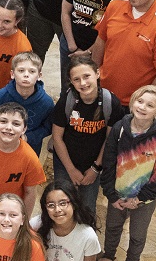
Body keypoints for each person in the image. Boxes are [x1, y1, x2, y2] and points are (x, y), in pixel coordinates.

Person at [96, 85, 156, 261]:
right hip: (118, 195)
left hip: (143, 200)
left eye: (150, 105)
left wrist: (139, 198)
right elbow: (109, 161)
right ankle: (108, 256)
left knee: (138, 234)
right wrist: (111, 195)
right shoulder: (120, 128)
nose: (143, 107)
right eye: (140, 101)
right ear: (132, 103)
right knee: (112, 228)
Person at [51, 53, 121, 210]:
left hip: (93, 164)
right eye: (76, 79)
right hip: (66, 162)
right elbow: (57, 138)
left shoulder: (111, 102)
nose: (83, 83)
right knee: (61, 206)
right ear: (71, 82)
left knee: (87, 207)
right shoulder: (66, 101)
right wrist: (70, 169)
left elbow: (109, 140)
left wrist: (95, 169)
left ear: (97, 73)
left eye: (87, 76)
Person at [0, 51, 53, 154]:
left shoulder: (46, 102)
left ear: (39, 76)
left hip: (28, 149)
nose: (26, 75)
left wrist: (29, 137)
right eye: (21, 70)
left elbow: (48, 127)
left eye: (32, 71)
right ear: (12, 74)